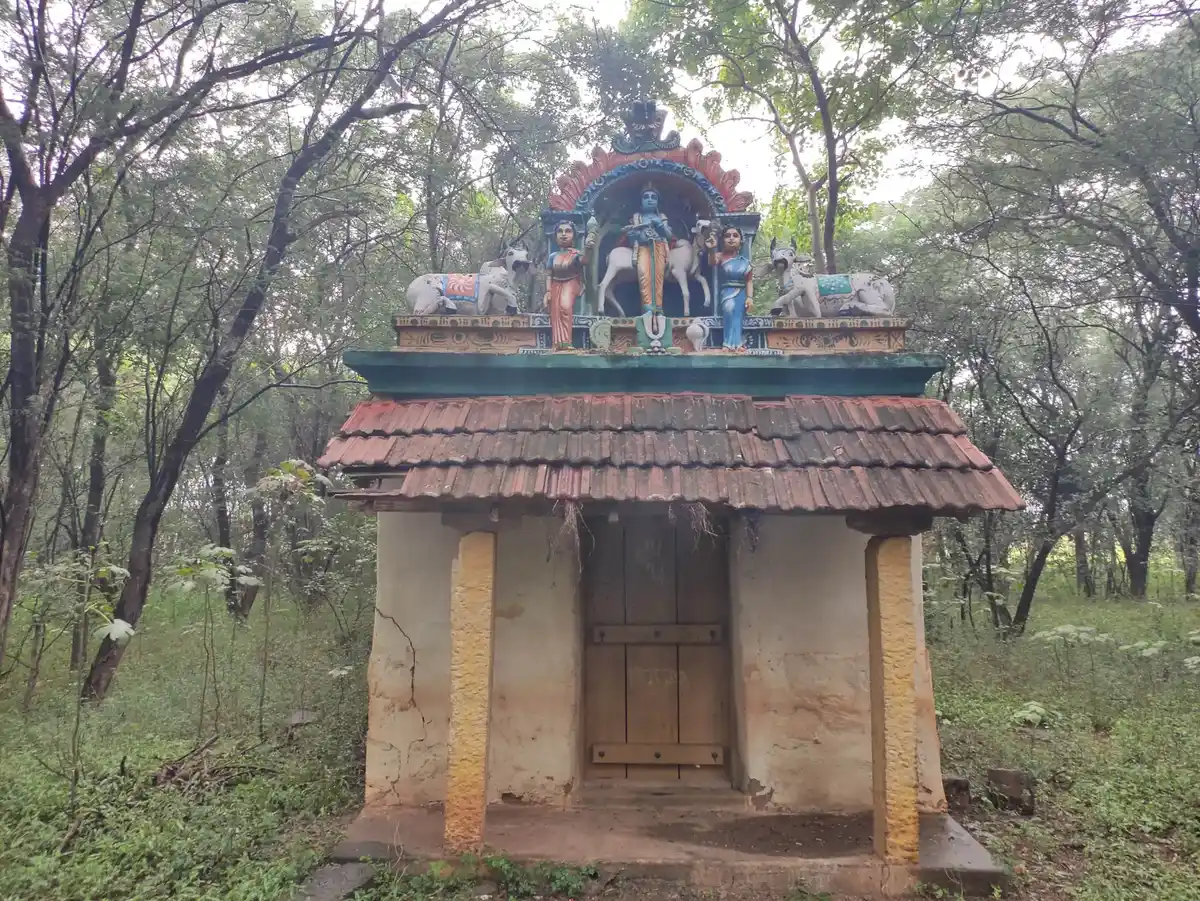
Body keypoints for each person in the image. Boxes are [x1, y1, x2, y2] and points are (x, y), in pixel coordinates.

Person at [622, 186, 673, 312]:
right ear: (641, 201)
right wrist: (633, 234)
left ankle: (659, 308)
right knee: (644, 275)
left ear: (657, 202)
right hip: (643, 248)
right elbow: (631, 237)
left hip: (659, 247)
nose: (650, 200)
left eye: (653, 197)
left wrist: (659, 224)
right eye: (646, 197)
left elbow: (669, 235)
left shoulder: (661, 216)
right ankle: (647, 308)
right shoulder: (637, 217)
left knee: (658, 278)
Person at [544, 220, 592, 348]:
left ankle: (567, 341)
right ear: (555, 236)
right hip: (555, 285)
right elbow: (549, 274)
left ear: (574, 236)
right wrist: (548, 291)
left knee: (565, 307)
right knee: (555, 312)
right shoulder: (553, 256)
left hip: (572, 282)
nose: (563, 234)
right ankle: (558, 344)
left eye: (568, 231)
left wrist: (588, 248)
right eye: (560, 231)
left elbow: (585, 260)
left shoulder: (575, 254)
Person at [705, 225, 753, 350]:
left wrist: (750, 297)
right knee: (728, 309)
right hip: (727, 292)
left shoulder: (744, 261)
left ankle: (737, 344)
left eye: (735, 236)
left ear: (741, 241)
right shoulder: (720, 256)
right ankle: (728, 343)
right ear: (723, 240)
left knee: (738, 315)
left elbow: (749, 281)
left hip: (741, 293)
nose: (731, 238)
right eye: (727, 236)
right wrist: (711, 249)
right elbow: (712, 262)